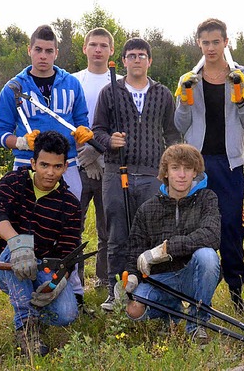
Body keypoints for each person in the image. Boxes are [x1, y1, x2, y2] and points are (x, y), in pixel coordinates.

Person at [0, 24, 90, 306]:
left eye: (49, 51)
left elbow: (81, 118)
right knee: (25, 226)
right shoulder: (13, 87)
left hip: (68, 165)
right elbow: (0, 132)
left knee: (71, 227)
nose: (43, 56)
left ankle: (73, 290)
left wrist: (84, 132)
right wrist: (21, 142)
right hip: (27, 166)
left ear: (56, 52)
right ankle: (22, 289)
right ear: (29, 50)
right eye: (38, 50)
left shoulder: (72, 84)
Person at [174, 18, 244, 312]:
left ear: (225, 42)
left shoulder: (242, 75)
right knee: (196, 228)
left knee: (232, 226)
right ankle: (197, 290)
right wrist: (183, 99)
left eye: (216, 42)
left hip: (231, 165)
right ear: (199, 44)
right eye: (205, 42)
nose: (210, 48)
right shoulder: (189, 78)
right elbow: (180, 125)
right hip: (198, 166)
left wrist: (240, 98)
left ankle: (236, 290)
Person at [93, 37, 180, 311]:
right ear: (124, 62)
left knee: (151, 236)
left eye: (142, 55)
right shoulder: (110, 92)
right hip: (117, 173)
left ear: (149, 60)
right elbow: (96, 132)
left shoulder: (163, 93)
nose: (137, 59)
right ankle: (115, 291)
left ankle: (147, 292)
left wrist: (172, 167)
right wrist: (109, 142)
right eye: (131, 55)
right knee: (116, 235)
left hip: (153, 175)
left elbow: (172, 134)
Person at [0, 130, 82, 356]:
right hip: (7, 261)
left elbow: (69, 253)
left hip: (44, 267)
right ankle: (27, 328)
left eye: (57, 167)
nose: (50, 172)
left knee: (66, 314)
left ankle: (31, 308)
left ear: (65, 167)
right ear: (33, 163)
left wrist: (56, 283)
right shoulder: (14, 181)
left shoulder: (70, 204)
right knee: (18, 251)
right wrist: (17, 242)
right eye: (44, 165)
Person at [124, 143, 220, 342]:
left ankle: (197, 324)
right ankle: (170, 313)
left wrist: (166, 249)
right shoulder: (147, 208)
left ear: (196, 173)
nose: (182, 175)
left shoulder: (207, 198)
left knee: (208, 256)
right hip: (161, 279)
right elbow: (135, 248)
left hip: (191, 275)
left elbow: (211, 235)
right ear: (166, 172)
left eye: (188, 169)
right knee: (133, 312)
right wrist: (132, 277)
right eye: (176, 168)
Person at [72, 28, 121, 289]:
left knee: (108, 229)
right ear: (85, 48)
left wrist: (100, 150)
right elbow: (67, 120)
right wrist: (85, 152)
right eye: (93, 45)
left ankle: (104, 280)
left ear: (112, 50)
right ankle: (76, 280)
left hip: (109, 164)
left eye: (104, 45)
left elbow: (125, 125)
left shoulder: (121, 82)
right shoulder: (72, 80)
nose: (98, 50)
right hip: (77, 162)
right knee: (74, 226)